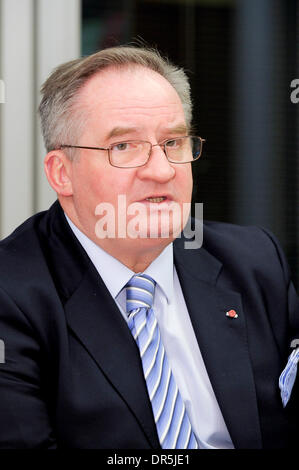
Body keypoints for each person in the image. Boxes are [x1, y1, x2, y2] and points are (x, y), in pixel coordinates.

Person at [0, 45, 298, 449]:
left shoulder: (254, 262)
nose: (161, 171)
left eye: (173, 143)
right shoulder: (12, 294)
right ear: (62, 173)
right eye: (123, 147)